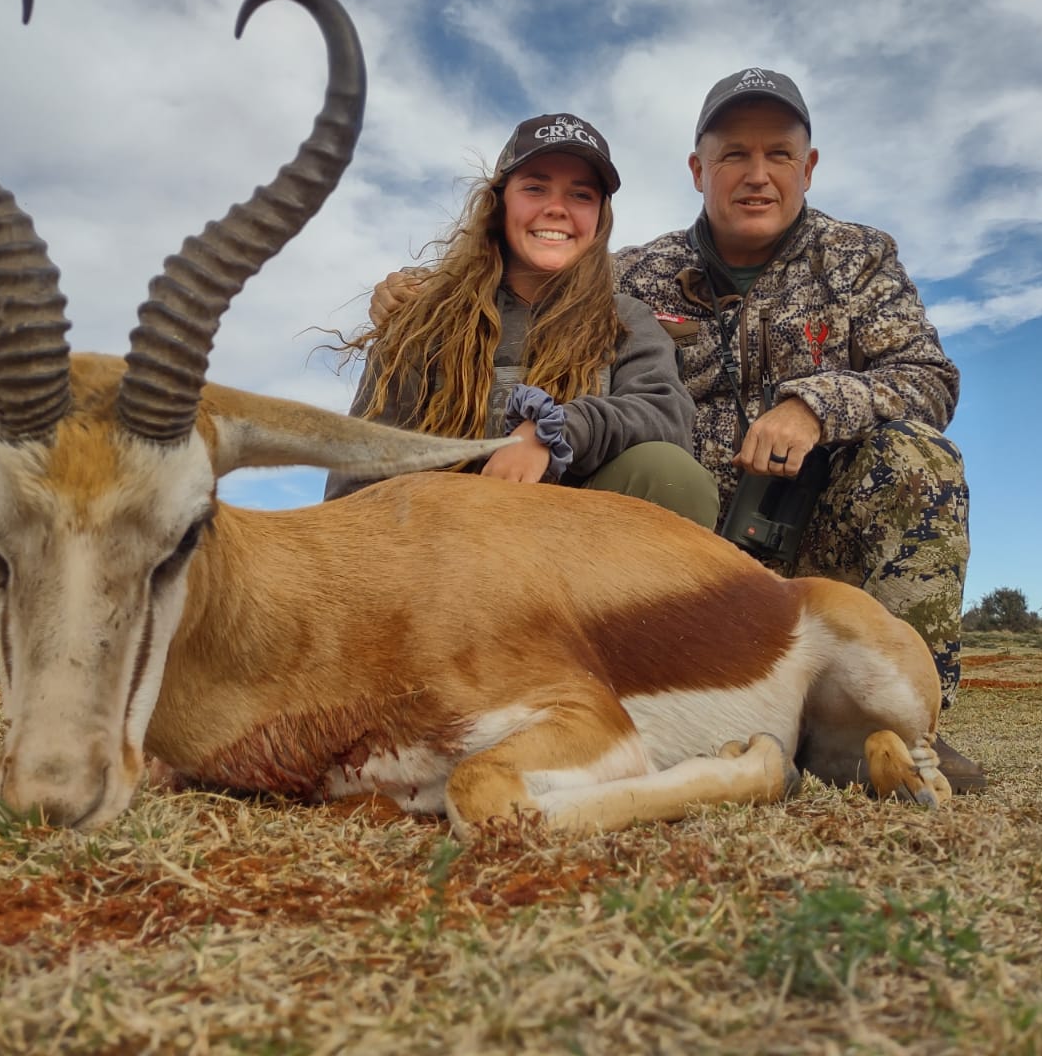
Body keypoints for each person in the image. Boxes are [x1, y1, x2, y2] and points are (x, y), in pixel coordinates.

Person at [371, 73, 984, 791]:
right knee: (665, 473)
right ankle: (649, 715)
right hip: (673, 551)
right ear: (699, 169)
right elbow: (531, 273)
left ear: (807, 166)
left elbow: (929, 378)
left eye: (779, 155)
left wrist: (816, 404)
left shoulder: (859, 259)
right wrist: (424, 294)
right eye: (733, 156)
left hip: (814, 549)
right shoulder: (635, 276)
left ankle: (915, 728)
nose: (757, 176)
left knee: (915, 457)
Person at [326, 113, 718, 528]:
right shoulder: (424, 318)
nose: (556, 208)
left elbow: (666, 416)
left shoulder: (625, 318)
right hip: (448, 555)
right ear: (499, 203)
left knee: (671, 476)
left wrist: (554, 432)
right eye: (535, 188)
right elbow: (360, 474)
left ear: (599, 218)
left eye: (581, 195)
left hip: (576, 555)